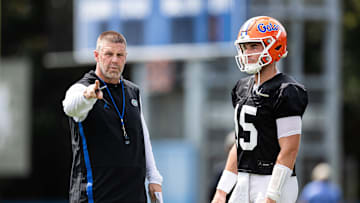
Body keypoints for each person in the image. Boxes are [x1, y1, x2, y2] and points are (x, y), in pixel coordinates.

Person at [211, 16, 308, 203]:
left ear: (275, 47)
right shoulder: (241, 88)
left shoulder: (286, 90)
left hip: (272, 178)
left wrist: (272, 194)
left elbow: (289, 149)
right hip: (243, 179)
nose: (248, 52)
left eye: (254, 46)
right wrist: (222, 190)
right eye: (245, 47)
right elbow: (239, 145)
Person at [62, 31, 163, 203]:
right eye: (108, 54)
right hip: (96, 195)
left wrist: (154, 177)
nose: (115, 60)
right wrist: (87, 96)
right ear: (97, 55)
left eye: (119, 55)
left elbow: (142, 136)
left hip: (133, 195)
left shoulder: (132, 91)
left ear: (125, 57)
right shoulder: (82, 88)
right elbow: (70, 107)